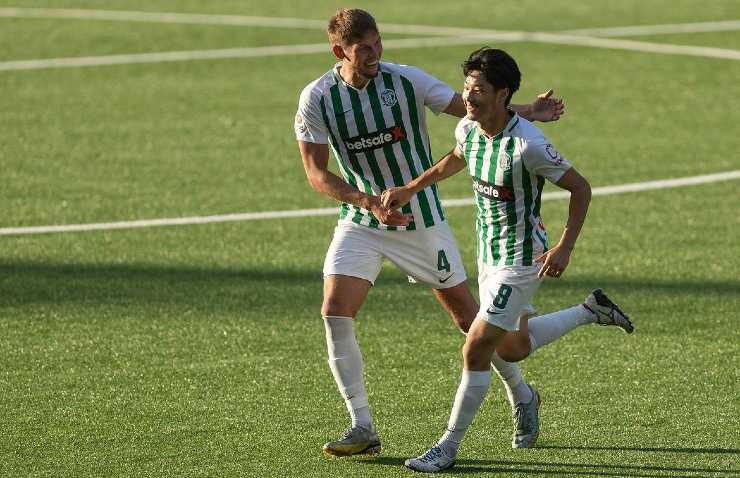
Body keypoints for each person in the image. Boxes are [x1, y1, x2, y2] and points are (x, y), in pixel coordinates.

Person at [295, 8, 568, 458]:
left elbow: (471, 107)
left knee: (470, 323)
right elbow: (315, 173)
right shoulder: (317, 98)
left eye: (378, 43)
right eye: (364, 49)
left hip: (421, 219)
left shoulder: (405, 80)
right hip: (363, 220)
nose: (375, 54)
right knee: (334, 309)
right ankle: (361, 425)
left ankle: (521, 393)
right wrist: (366, 202)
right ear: (339, 51)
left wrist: (526, 110)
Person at [381, 47, 633, 473]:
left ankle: (447, 446)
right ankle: (591, 310)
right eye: (467, 88)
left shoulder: (529, 145)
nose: (469, 97)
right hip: (488, 254)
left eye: (478, 90)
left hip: (521, 259)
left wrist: (565, 247)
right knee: (511, 348)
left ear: (503, 94)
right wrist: (411, 188)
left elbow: (581, 188)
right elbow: (455, 160)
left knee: (476, 346)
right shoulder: (468, 128)